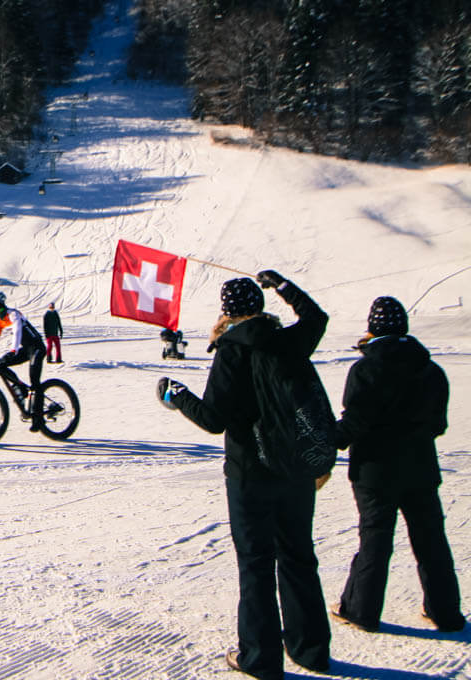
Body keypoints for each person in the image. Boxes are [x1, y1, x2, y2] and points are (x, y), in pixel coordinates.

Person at [157, 271, 330, 679]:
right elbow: (317, 318)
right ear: (261, 306)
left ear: (226, 312)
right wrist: (284, 286)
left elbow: (215, 419)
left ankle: (261, 657)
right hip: (295, 471)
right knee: (298, 557)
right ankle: (311, 649)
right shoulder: (288, 341)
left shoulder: (233, 350)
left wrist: (178, 397)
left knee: (256, 563)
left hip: (251, 473)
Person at [330, 296, 466, 634]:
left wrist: (329, 441)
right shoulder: (431, 369)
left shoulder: (365, 369)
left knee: (375, 538)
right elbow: (439, 424)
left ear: (372, 328)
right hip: (420, 465)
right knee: (431, 538)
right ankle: (445, 613)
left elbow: (355, 420)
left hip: (375, 470)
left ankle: (361, 610)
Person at [0, 291, 46, 431]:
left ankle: (39, 419)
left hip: (37, 348)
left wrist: (14, 350)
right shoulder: (0, 322)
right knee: (0, 365)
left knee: (35, 381)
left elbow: (18, 331)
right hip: (25, 349)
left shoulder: (13, 314)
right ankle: (19, 386)